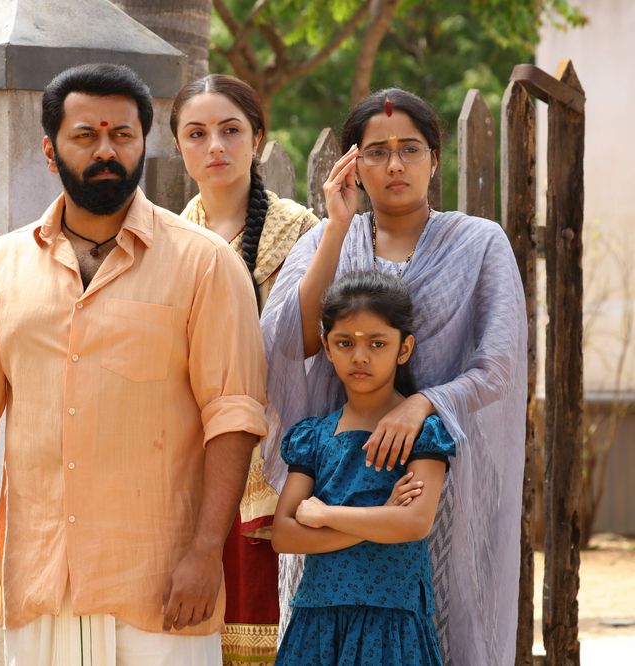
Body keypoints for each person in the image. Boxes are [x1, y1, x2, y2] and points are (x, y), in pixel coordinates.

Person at [0, 63, 268, 665]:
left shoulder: (206, 263)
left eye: (122, 135)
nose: (106, 150)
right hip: (40, 585)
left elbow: (233, 416)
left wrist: (203, 553)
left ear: (144, 144)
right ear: (50, 150)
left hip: (162, 591)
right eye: (85, 135)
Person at [261, 87, 526, 664]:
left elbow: (499, 365)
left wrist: (423, 404)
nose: (395, 165)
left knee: (441, 627)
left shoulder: (479, 243)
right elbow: (293, 343)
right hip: (340, 465)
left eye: (410, 149)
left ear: (435, 159)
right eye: (377, 152)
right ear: (354, 166)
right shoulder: (324, 240)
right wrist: (337, 226)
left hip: (439, 465)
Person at [169, 73, 319, 665]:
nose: (215, 147)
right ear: (178, 145)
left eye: (231, 130)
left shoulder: (304, 235)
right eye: (196, 133)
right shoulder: (163, 242)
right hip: (187, 469)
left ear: (258, 138)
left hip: (284, 468)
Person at [272, 271, 451, 665]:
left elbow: (413, 523)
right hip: (318, 624)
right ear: (326, 347)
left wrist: (325, 515)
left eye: (377, 343)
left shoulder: (423, 433)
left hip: (393, 624)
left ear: (404, 348)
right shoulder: (314, 437)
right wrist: (381, 516)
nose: (360, 356)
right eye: (345, 343)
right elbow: (283, 534)